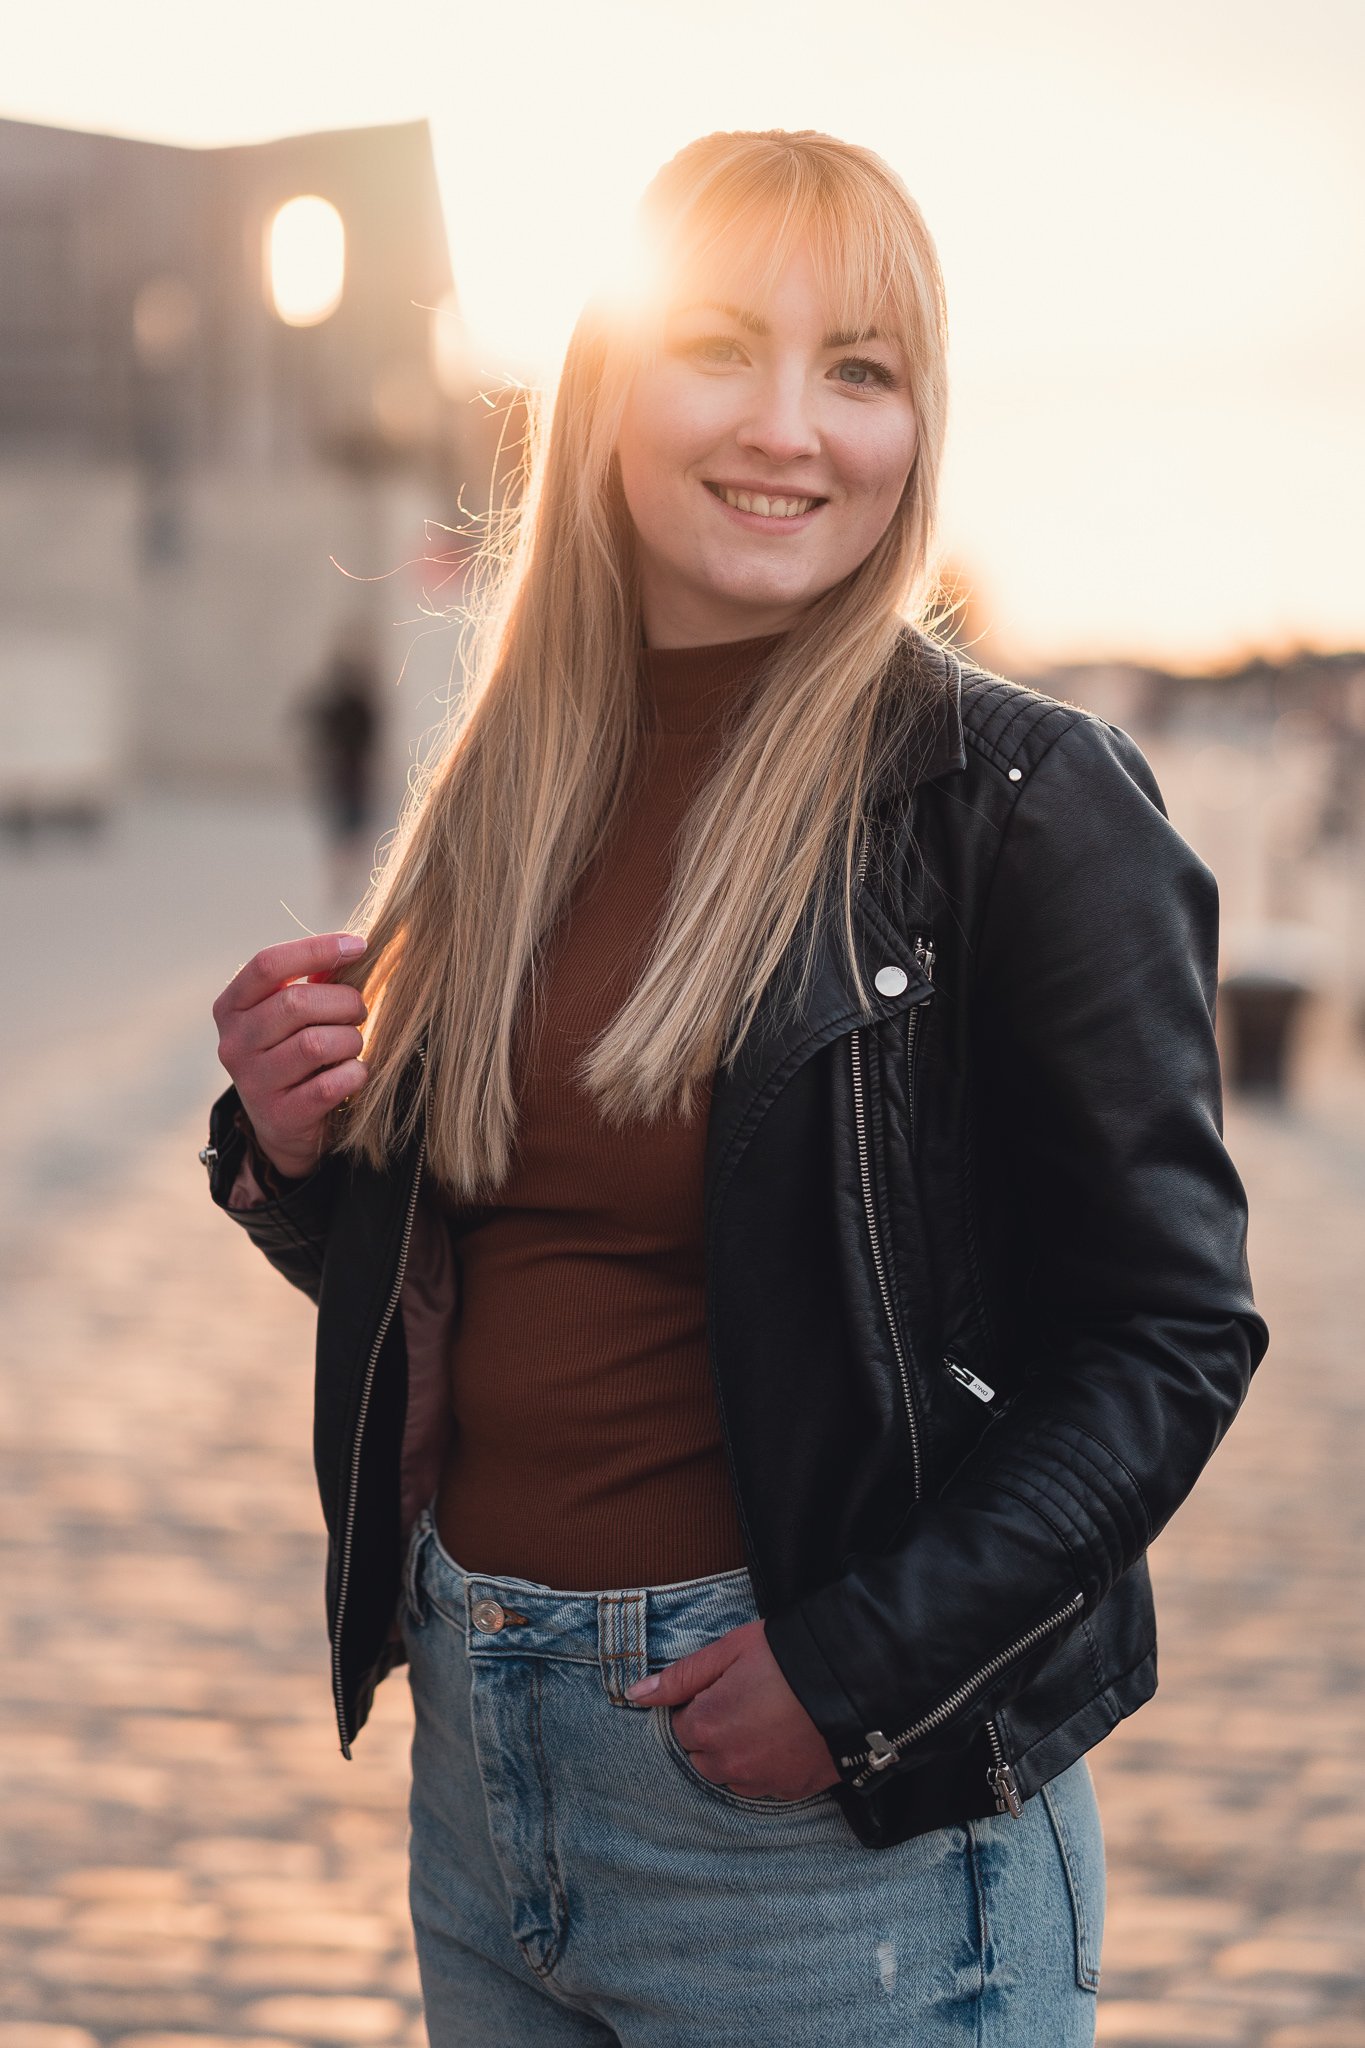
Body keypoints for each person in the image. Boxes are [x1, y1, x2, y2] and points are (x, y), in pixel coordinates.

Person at [203, 129, 1268, 2045]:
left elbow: (1168, 1340)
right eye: (721, 348)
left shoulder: (1022, 806)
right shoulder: (517, 787)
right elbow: (519, 1265)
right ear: (608, 383)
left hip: (825, 1840)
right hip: (484, 1759)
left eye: (858, 371)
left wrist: (856, 1671)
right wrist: (295, 1157)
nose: (792, 426)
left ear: (915, 430)